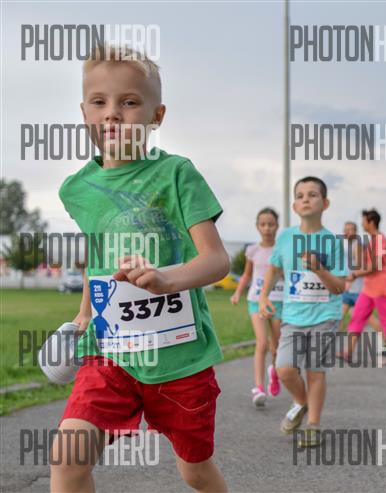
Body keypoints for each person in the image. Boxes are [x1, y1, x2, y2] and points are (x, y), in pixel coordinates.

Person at [53, 44, 229, 491]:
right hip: (110, 354)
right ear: (84, 112)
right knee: (68, 458)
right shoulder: (76, 189)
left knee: (195, 472)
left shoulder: (176, 174)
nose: (112, 113)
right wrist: (83, 314)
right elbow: (98, 255)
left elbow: (216, 259)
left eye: (129, 102)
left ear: (157, 115)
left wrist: (166, 279)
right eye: (99, 101)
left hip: (180, 358)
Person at [258, 176, 347, 448]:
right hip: (293, 317)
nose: (305, 199)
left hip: (324, 316)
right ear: (294, 206)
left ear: (325, 203)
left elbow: (339, 287)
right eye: (300, 195)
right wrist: (263, 296)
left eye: (312, 194)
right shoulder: (286, 237)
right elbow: (274, 267)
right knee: (284, 369)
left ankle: (313, 425)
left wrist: (319, 269)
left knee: (315, 371)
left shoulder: (332, 242)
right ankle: (301, 401)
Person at [231, 207, 284, 407]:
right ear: (257, 226)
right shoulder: (252, 250)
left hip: (278, 301)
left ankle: (275, 372)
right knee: (262, 343)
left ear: (277, 226)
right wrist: (237, 292)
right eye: (263, 224)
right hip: (256, 300)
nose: (267, 228)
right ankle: (259, 387)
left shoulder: (281, 249)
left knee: (276, 346)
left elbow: (287, 274)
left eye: (271, 224)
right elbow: (246, 275)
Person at [341, 209, 386, 363]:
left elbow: (375, 266)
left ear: (371, 222)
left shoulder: (380, 240)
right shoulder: (372, 240)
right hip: (368, 288)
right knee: (357, 317)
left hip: (381, 287)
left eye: (364, 221)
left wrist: (355, 275)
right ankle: (348, 352)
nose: (362, 224)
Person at [340, 221, 364, 328]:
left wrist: (349, 281)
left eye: (350, 230)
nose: (347, 232)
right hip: (348, 289)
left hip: (357, 289)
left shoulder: (357, 246)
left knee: (365, 318)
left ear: (355, 232)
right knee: (340, 316)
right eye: (345, 230)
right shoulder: (347, 246)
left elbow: (360, 267)